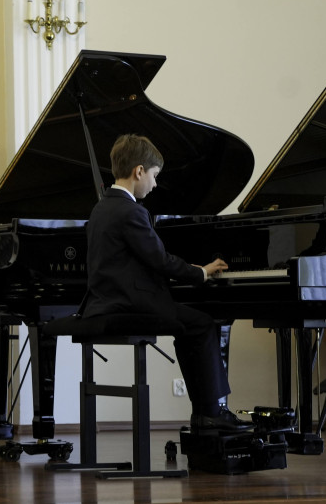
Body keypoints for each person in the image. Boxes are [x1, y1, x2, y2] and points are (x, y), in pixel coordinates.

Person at [81, 133, 252, 432]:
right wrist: (201, 272)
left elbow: (138, 261)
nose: (155, 184)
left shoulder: (101, 208)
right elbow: (160, 260)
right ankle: (211, 411)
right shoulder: (132, 211)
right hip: (131, 304)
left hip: (106, 301)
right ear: (139, 171)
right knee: (202, 323)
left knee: (188, 326)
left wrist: (185, 270)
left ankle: (204, 412)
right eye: (155, 175)